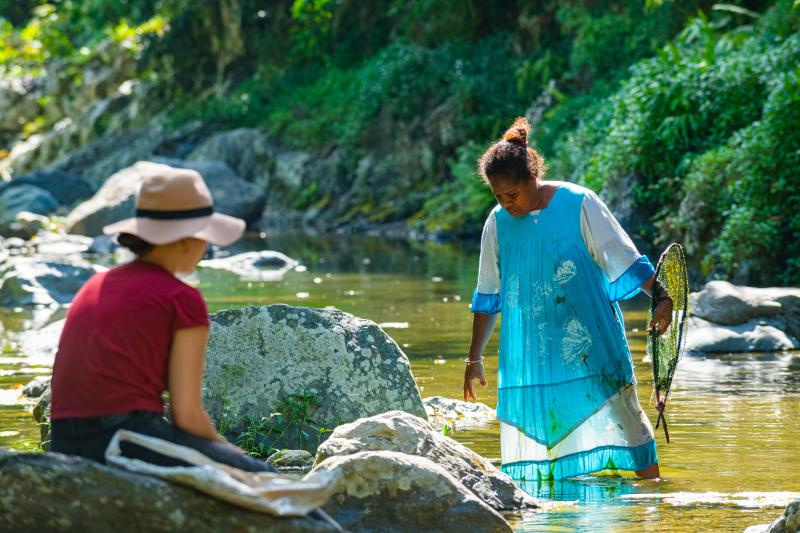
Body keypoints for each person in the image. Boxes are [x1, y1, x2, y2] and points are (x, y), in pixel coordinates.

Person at [463, 117, 672, 482]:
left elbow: (623, 257)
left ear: (533, 178)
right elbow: (488, 293)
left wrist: (661, 296)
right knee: (545, 443)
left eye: (512, 194)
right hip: (534, 353)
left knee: (630, 425)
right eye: (498, 196)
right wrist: (474, 357)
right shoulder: (497, 223)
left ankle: (651, 504)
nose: (505, 203)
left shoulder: (580, 204)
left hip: (593, 342)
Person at [50, 164, 271, 471]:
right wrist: (227, 450)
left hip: (63, 441)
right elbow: (187, 415)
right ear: (186, 240)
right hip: (123, 439)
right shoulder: (182, 299)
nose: (206, 248)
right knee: (264, 479)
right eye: (205, 238)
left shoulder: (96, 284)